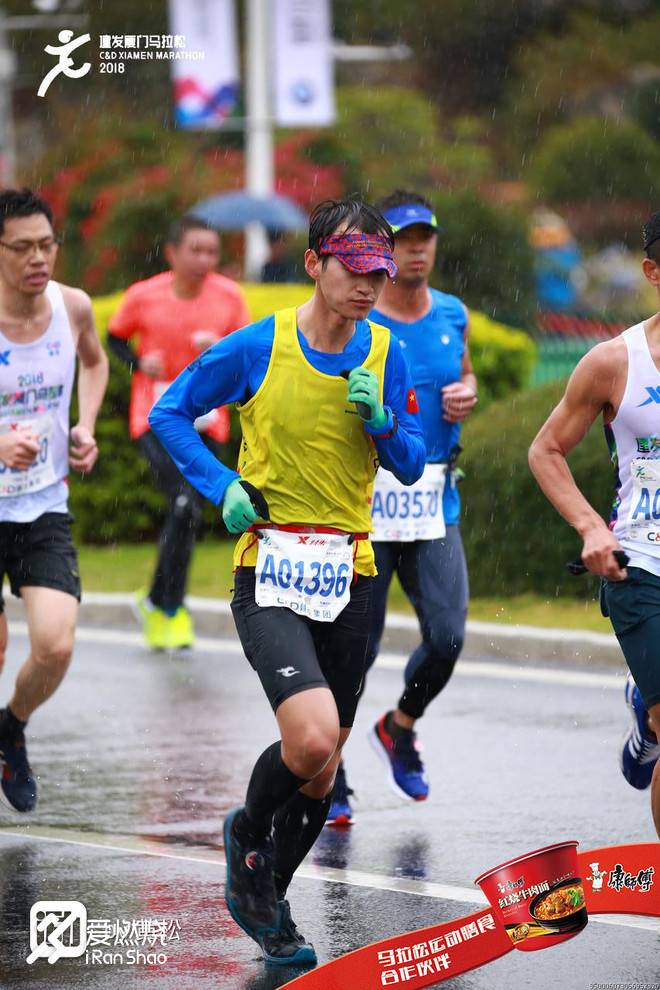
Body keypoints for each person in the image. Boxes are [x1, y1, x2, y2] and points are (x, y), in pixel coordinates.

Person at [149, 199, 425, 965]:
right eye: (355, 270)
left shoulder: (383, 353)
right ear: (314, 264)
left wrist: (383, 424)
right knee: (307, 742)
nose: (371, 285)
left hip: (351, 572)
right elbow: (171, 412)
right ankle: (245, 830)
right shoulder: (259, 345)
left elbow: (409, 462)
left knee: (324, 769)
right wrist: (220, 485)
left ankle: (266, 893)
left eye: (381, 271)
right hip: (268, 567)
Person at [327, 191, 478, 825]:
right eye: (405, 239)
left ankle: (398, 726)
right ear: (384, 250)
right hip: (366, 502)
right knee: (355, 649)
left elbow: (463, 373)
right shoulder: (359, 322)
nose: (417, 250)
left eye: (426, 238)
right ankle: (327, 770)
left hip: (432, 498)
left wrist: (467, 391)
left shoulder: (452, 313)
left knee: (446, 636)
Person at [529, 210, 660, 838]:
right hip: (641, 562)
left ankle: (645, 715)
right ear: (653, 273)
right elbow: (545, 449)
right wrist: (590, 528)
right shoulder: (614, 362)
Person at [0, 188, 108, 813]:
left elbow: (93, 365)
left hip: (42, 503)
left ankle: (10, 727)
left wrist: (85, 426)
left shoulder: (73, 307)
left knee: (56, 644)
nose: (39, 258)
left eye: (47, 244)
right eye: (22, 248)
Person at [107, 217, 250, 651]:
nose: (206, 259)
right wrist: (137, 363)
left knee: (188, 512)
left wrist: (219, 352)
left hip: (208, 421)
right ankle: (168, 607)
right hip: (155, 418)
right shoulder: (144, 295)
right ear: (172, 253)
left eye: (212, 251)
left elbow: (247, 356)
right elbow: (114, 338)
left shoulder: (229, 297)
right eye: (196, 250)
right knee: (185, 503)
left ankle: (159, 602)